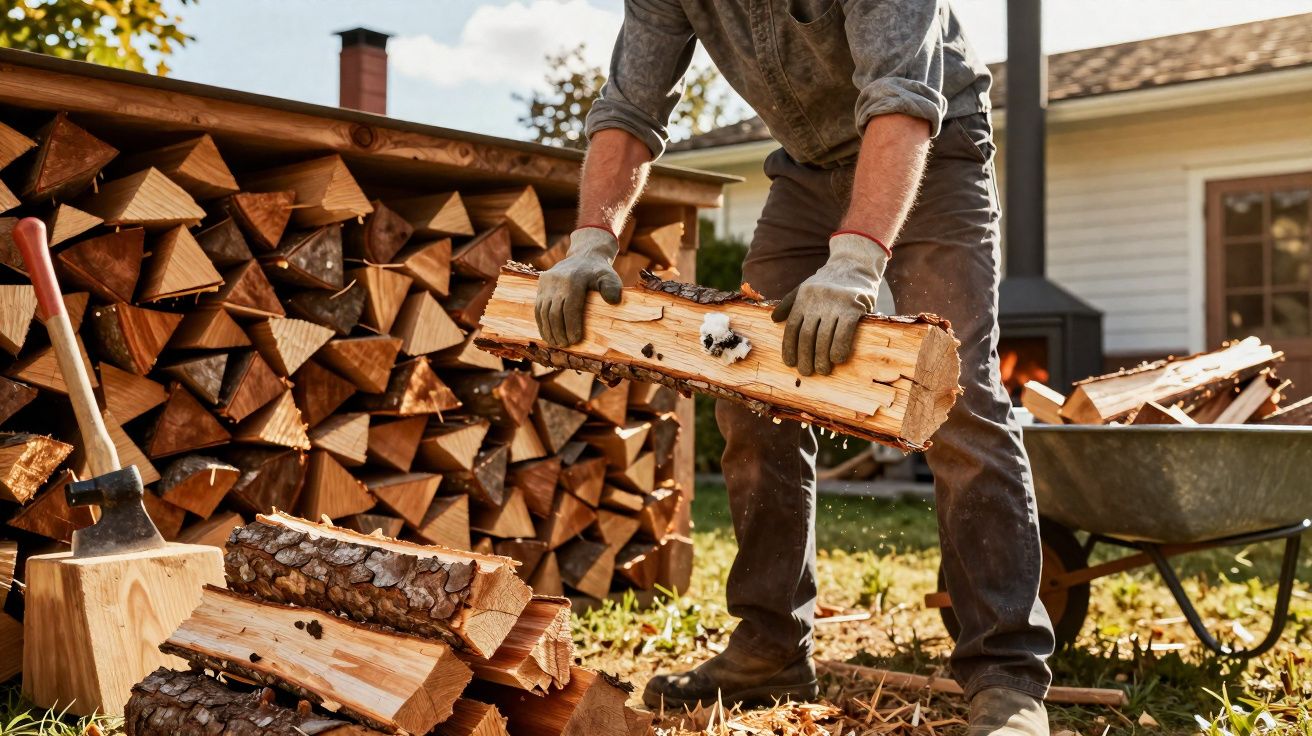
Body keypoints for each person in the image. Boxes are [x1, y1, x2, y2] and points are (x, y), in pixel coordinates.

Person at [533, 1, 1054, 733]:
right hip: (808, 167)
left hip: (934, 147)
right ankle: (771, 644)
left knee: (956, 394)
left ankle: (1006, 675)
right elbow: (630, 106)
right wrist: (591, 239)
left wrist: (855, 260)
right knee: (748, 386)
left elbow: (903, 100)